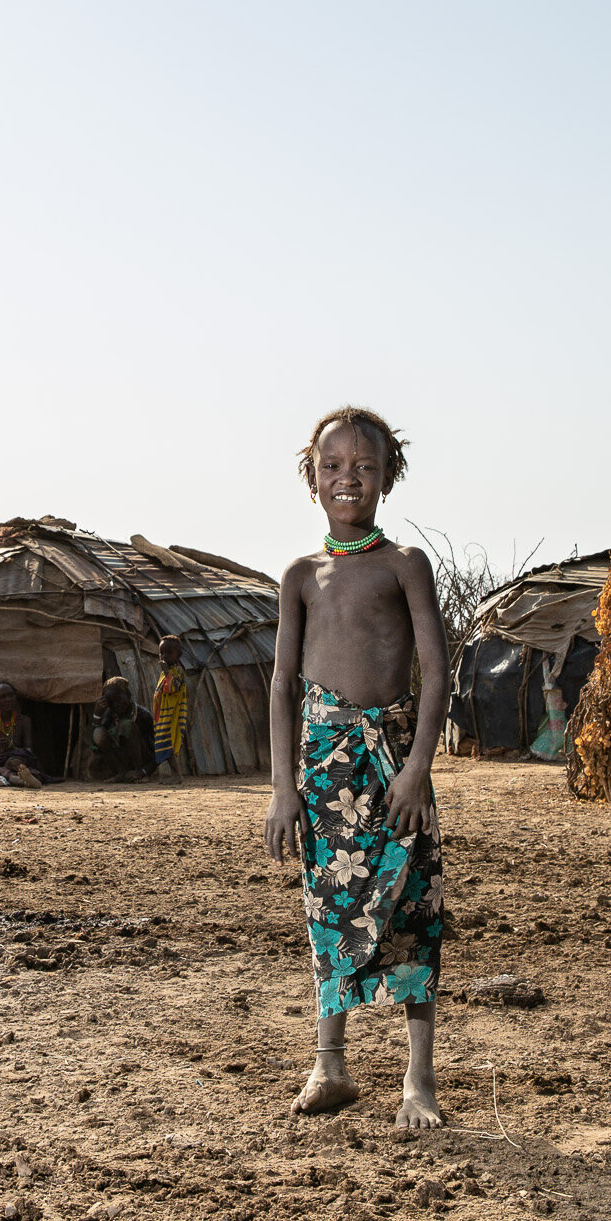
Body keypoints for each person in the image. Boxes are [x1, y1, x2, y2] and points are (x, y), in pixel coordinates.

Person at [262, 405, 449, 1128]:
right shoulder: (300, 576)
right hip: (324, 771)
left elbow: (435, 674)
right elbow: (282, 685)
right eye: (333, 466)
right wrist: (283, 789)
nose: (349, 479)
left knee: (414, 908)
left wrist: (416, 770)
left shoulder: (405, 565)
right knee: (330, 910)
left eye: (364, 468)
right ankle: (329, 1063)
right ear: (311, 479)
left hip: (397, 762)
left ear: (387, 478)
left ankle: (417, 1079)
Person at [0, 682, 46, 788]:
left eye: (11, 695)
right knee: (2, 769)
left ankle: (21, 776)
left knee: (13, 761)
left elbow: (29, 752)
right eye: (2, 697)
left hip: (20, 761)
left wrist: (13, 748)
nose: (8, 699)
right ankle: (22, 780)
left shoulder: (24, 721)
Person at [89, 676, 156, 782]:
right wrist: (97, 715)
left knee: (126, 725)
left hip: (143, 762)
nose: (116, 705)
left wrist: (143, 771)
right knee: (99, 733)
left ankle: (138, 773)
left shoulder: (143, 715)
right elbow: (94, 744)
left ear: (128, 696)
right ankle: (121, 772)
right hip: (122, 761)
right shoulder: (110, 714)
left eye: (119, 699)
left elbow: (158, 751)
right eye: (111, 701)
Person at [150, 635, 190, 784]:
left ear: (178, 655)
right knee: (164, 742)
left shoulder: (177, 670)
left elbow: (173, 688)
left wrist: (167, 672)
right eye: (162, 652)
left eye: (169, 652)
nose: (164, 656)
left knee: (169, 742)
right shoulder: (167, 671)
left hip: (173, 714)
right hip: (164, 714)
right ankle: (175, 774)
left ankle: (177, 775)